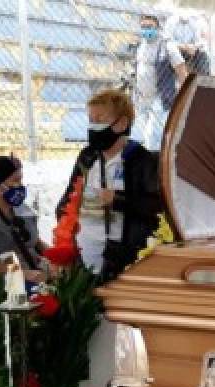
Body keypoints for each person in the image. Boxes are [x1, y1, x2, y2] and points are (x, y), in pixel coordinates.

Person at [56, 89, 163, 281]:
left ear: (121, 124)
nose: (93, 126)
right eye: (90, 120)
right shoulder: (87, 156)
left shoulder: (143, 160)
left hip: (123, 259)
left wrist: (119, 200)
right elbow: (68, 199)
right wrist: (65, 238)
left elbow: (157, 208)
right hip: (82, 255)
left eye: (99, 119)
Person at [134, 12, 188, 149]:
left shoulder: (167, 46)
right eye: (144, 27)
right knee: (142, 134)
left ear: (158, 27)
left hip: (160, 96)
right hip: (142, 96)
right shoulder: (141, 45)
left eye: (150, 26)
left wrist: (185, 94)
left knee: (153, 135)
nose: (146, 30)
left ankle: (155, 163)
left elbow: (181, 70)